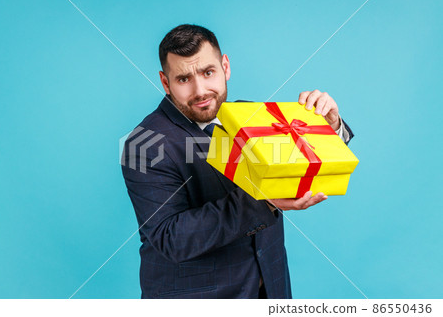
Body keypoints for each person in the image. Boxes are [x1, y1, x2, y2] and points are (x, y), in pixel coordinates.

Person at [121, 24, 354, 299]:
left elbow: (300, 159)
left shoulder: (253, 116)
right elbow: (171, 238)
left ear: (225, 67)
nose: (200, 90)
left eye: (208, 73)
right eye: (184, 79)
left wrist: (328, 126)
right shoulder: (143, 144)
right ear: (165, 83)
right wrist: (265, 199)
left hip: (271, 290)